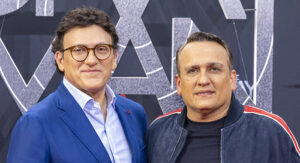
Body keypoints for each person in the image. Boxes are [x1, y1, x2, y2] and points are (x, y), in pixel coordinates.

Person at [7, 7, 147, 163]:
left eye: (101, 49)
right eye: (79, 50)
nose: (91, 60)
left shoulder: (134, 114)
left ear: (114, 58)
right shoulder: (35, 124)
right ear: (60, 60)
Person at [146, 32, 300, 163]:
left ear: (232, 79)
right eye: (193, 71)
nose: (203, 80)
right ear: (179, 84)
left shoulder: (271, 132)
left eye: (214, 69)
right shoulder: (158, 132)